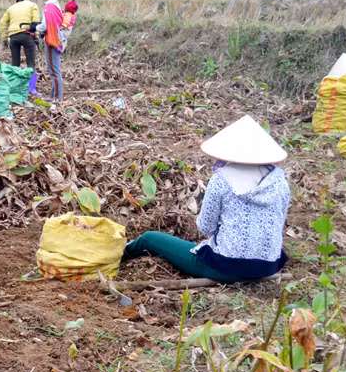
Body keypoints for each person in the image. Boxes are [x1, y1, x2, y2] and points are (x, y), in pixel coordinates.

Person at [123, 115, 291, 282]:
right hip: (267, 266)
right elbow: (278, 222)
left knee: (149, 238)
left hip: (227, 267)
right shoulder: (279, 180)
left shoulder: (223, 178)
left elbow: (205, 226)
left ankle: (117, 254)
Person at [36, 0, 64, 103]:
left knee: (54, 71)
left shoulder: (49, 7)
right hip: (57, 39)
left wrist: (34, 28)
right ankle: (53, 96)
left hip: (52, 41)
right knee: (53, 70)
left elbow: (45, 26)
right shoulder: (55, 5)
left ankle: (58, 98)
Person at [0, 0, 40, 69]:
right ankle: (32, 82)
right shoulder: (33, 5)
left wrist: (4, 39)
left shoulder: (11, 8)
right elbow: (36, 22)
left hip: (13, 37)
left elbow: (2, 23)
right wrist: (36, 36)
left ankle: (15, 81)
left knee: (15, 65)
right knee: (31, 65)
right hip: (27, 35)